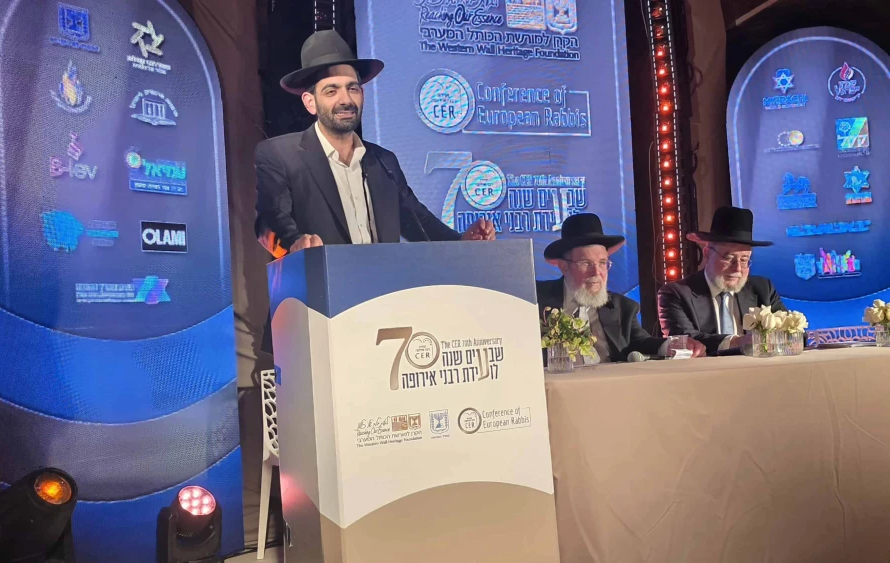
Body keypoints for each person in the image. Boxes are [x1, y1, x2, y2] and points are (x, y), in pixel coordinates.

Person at [254, 30, 495, 256]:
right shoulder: (280, 154)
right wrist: (294, 244)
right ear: (310, 102)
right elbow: (270, 220)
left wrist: (461, 242)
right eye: (331, 91)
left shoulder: (383, 160)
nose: (346, 100)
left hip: (383, 295)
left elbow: (416, 220)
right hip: (317, 295)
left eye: (353, 88)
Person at [537, 213, 706, 363]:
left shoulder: (622, 307)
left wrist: (672, 345)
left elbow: (641, 343)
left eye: (602, 263)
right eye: (585, 263)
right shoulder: (536, 300)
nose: (596, 272)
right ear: (563, 266)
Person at [658, 206, 786, 355]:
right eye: (729, 258)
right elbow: (684, 340)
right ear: (707, 253)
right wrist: (737, 342)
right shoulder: (676, 293)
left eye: (744, 260)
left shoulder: (763, 288)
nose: (737, 268)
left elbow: (792, 331)